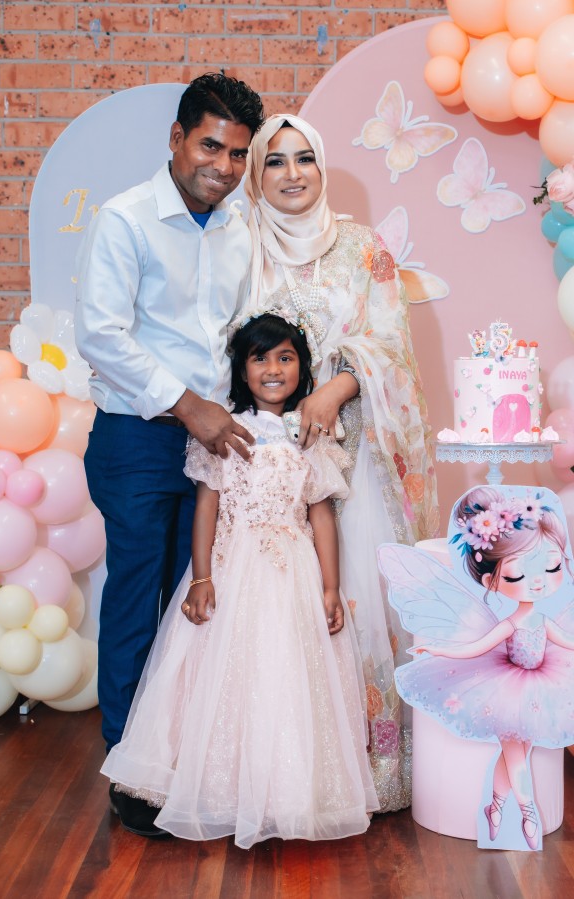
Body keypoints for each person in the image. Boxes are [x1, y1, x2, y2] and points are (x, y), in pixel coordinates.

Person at [101, 312, 378, 847]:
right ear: (241, 369)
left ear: (302, 367)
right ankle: (216, 785)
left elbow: (321, 515)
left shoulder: (311, 435)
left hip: (292, 570)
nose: (273, 369)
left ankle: (284, 792)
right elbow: (207, 506)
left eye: (285, 358)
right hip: (232, 565)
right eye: (260, 358)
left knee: (285, 673)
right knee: (220, 670)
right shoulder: (223, 428)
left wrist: (329, 586)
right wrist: (201, 577)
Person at [74, 73, 265, 836]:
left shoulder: (239, 229)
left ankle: (187, 758)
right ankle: (131, 769)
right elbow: (101, 335)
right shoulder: (125, 220)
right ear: (178, 138)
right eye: (210, 146)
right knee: (137, 598)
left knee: (201, 597)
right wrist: (190, 407)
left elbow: (237, 337)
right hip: (140, 436)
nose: (223, 166)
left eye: (238, 154)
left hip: (215, 442)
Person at [243, 114, 439, 811]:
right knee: (279, 608)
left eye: (305, 158)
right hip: (271, 462)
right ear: (255, 174)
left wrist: (336, 385)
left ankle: (372, 772)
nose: (292, 174)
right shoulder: (240, 247)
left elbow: (392, 343)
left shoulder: (362, 247)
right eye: (275, 161)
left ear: (322, 168)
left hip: (356, 458)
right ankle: (296, 773)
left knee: (354, 603)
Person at [382, 486, 574, 851]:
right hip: (504, 688)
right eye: (516, 576)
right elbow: (476, 648)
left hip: (542, 684)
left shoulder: (544, 620)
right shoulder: (510, 624)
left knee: (517, 752)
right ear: (491, 581)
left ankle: (495, 807)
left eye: (551, 567)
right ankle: (528, 812)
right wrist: (436, 648)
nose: (537, 581)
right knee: (516, 756)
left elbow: (566, 640)